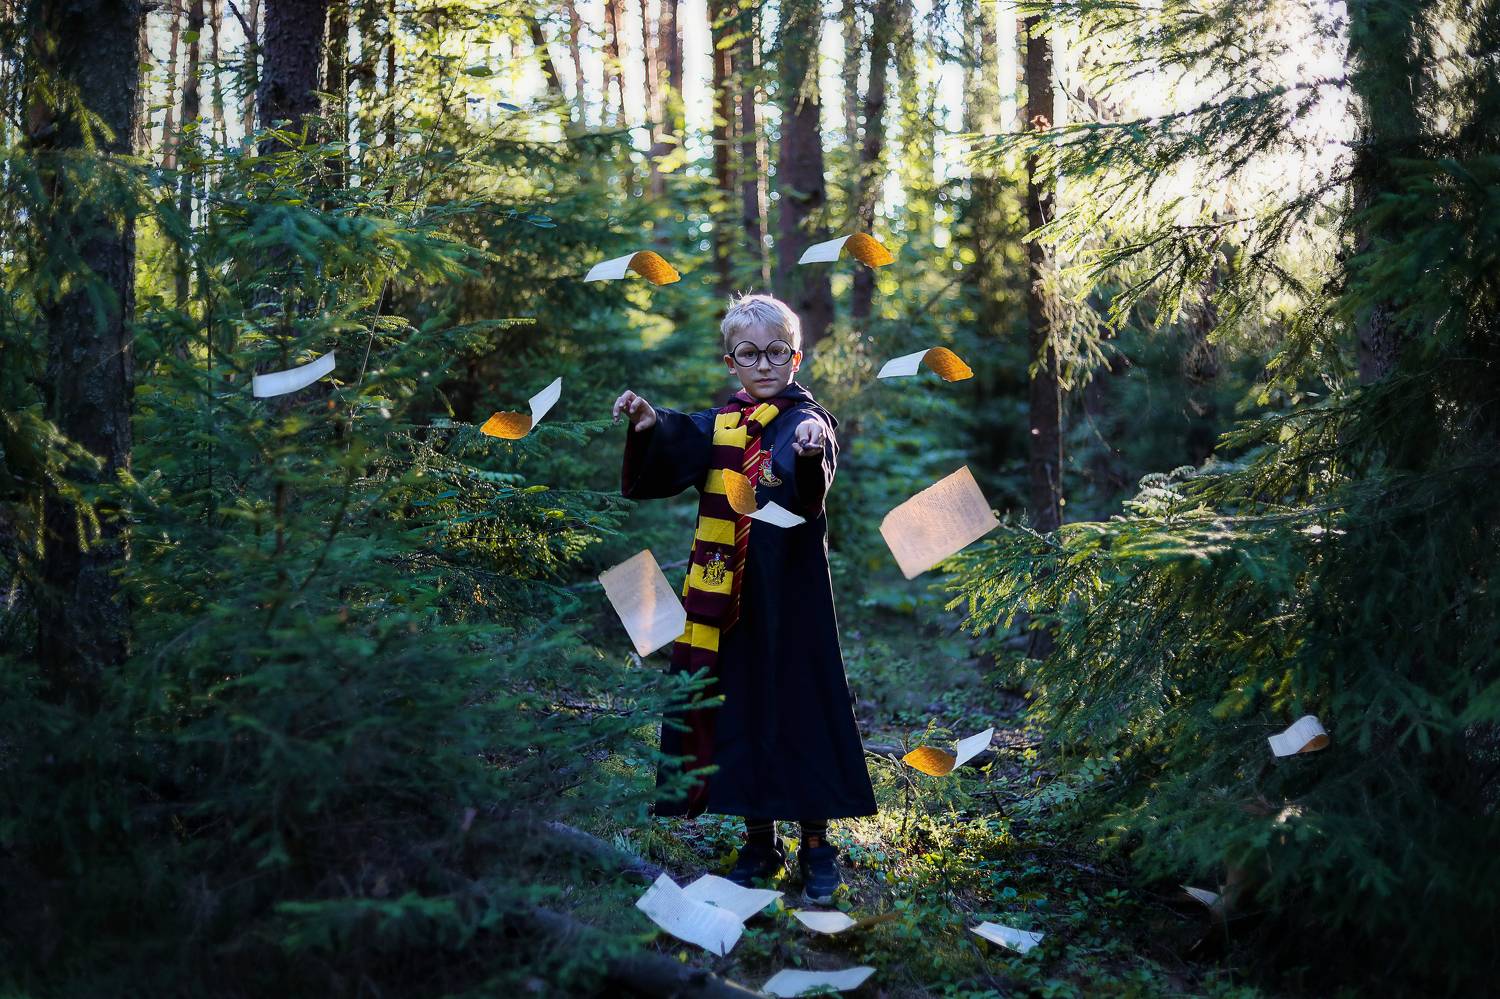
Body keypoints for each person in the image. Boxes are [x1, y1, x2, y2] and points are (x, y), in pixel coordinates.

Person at [611, 293, 877, 904]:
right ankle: (761, 843)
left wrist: (810, 451)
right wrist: (650, 422)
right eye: (749, 354)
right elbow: (679, 440)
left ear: (796, 357)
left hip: (791, 597)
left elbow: (808, 482)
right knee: (740, 707)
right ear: (731, 362)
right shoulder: (723, 423)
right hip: (726, 595)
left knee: (799, 705)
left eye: (776, 352)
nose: (764, 365)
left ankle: (816, 846)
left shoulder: (806, 420)